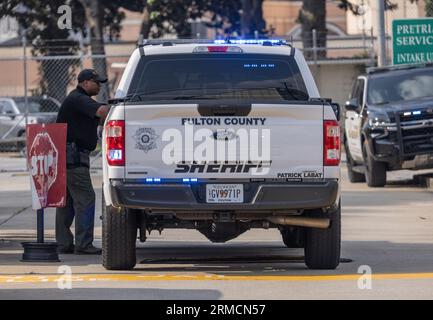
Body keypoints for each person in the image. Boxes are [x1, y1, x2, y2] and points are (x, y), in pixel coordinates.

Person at [55, 69, 110, 255]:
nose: (99, 86)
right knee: (86, 198)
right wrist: (120, 108)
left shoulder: (78, 100)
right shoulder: (79, 99)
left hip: (69, 157)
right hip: (74, 158)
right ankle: (84, 244)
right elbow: (102, 112)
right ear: (85, 82)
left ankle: (64, 243)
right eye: (96, 82)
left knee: (68, 201)